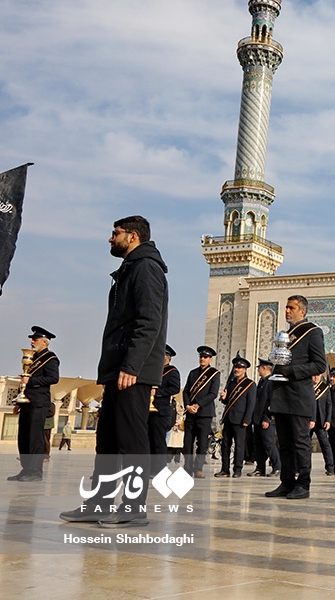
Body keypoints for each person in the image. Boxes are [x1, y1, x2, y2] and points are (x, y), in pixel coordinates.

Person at [60, 215, 168, 527]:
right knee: (107, 440)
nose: (111, 239)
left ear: (132, 236)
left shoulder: (146, 268)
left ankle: (134, 507)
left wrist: (132, 365)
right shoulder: (132, 268)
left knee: (131, 440)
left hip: (131, 371)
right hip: (119, 367)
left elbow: (149, 321)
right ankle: (99, 502)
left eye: (115, 233)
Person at [266, 295, 328, 500]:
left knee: (300, 443)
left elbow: (319, 365)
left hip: (299, 396)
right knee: (284, 443)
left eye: (291, 308)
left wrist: (291, 371)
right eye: (285, 307)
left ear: (302, 311)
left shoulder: (312, 332)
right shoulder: (285, 335)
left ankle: (303, 484)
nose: (286, 311)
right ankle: (287, 482)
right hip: (281, 395)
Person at [9, 326, 60, 481]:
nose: (32, 341)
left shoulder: (50, 358)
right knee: (23, 437)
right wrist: (19, 401)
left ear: (44, 342)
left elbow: (53, 378)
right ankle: (25, 470)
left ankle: (35, 472)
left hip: (39, 403)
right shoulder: (32, 358)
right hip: (27, 403)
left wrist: (31, 381)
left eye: (35, 339)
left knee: (34, 438)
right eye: (32, 339)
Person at [182, 346, 220, 477]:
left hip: (204, 413)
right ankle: (187, 467)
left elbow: (213, 394)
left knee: (202, 443)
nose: (202, 359)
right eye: (201, 357)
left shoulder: (214, 374)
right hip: (190, 412)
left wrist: (198, 405)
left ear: (210, 359)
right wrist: (187, 405)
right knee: (187, 443)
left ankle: (198, 468)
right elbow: (186, 391)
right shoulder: (193, 373)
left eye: (205, 357)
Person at [216, 355, 256, 478]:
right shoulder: (231, 383)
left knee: (239, 446)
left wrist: (247, 419)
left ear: (244, 370)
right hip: (228, 418)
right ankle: (225, 469)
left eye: (239, 367)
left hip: (240, 420)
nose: (236, 370)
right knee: (225, 445)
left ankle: (237, 469)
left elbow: (251, 404)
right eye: (235, 367)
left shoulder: (250, 384)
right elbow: (227, 401)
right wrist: (223, 398)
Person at [148, 345, 181, 474]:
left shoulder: (172, 371)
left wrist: (157, 392)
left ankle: (158, 469)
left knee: (158, 441)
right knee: (148, 440)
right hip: (148, 411)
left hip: (160, 411)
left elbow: (175, 388)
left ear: (168, 358)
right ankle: (149, 468)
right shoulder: (152, 370)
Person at [248, 359, 281, 477]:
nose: (258, 370)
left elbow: (272, 402)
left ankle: (277, 467)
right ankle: (260, 468)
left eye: (259, 368)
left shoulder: (271, 382)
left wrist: (267, 418)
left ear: (264, 368)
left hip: (266, 419)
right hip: (257, 419)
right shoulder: (262, 382)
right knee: (258, 445)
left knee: (269, 444)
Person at [311, 371, 335, 475]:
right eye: (314, 375)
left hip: (321, 421)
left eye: (318, 375)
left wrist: (328, 420)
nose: (316, 377)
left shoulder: (325, 388)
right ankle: (302, 468)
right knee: (304, 446)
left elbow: (329, 405)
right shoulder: (306, 387)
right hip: (308, 421)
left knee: (325, 445)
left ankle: (330, 467)